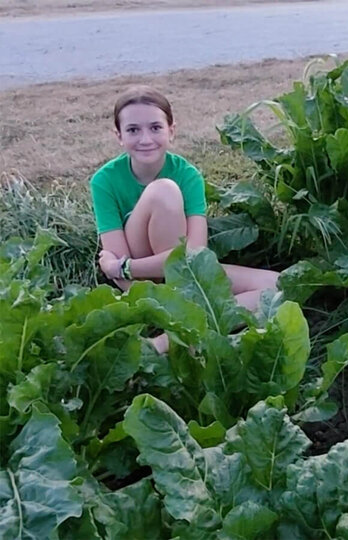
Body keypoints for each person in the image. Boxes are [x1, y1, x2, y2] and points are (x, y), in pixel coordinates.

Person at [90, 85, 279, 353]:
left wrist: (122, 267)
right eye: (133, 130)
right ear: (119, 136)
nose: (145, 139)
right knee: (163, 191)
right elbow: (121, 267)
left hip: (182, 275)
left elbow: (195, 254)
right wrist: (137, 284)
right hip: (145, 285)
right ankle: (197, 319)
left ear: (171, 130)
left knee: (278, 287)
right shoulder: (104, 181)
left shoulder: (188, 175)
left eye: (155, 127)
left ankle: (161, 344)